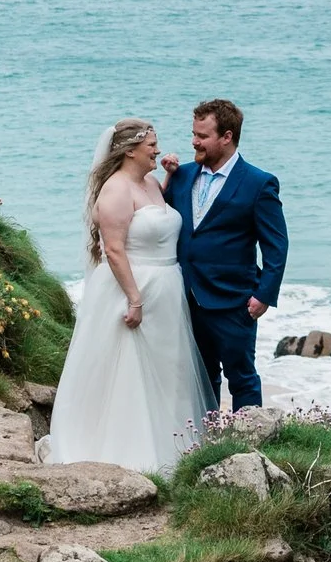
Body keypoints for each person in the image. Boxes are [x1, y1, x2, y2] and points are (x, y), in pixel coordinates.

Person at [40, 119, 209, 470]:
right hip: (133, 290)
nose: (158, 150)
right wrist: (134, 299)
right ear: (129, 150)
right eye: (151, 144)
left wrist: (169, 178)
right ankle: (129, 454)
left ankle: (169, 448)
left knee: (163, 372)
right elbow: (114, 250)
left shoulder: (148, 182)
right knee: (127, 373)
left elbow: (155, 224)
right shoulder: (115, 189)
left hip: (166, 290)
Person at [165, 98, 287, 412]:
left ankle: (251, 442)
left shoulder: (259, 183)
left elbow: (276, 245)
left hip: (234, 300)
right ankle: (204, 444)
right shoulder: (182, 175)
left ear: (227, 137)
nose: (194, 141)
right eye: (193, 133)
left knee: (242, 377)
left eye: (202, 136)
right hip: (187, 297)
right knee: (200, 378)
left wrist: (264, 295)